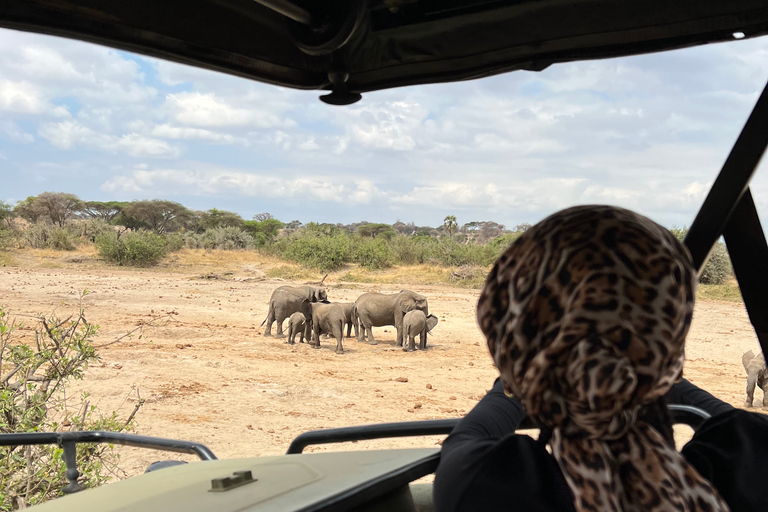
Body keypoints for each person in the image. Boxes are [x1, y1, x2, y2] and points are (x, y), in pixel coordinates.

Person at [433, 205, 768, 512]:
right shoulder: (747, 453)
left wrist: (533, 373)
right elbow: (735, 423)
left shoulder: (483, 483)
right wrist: (642, 372)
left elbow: (469, 436)